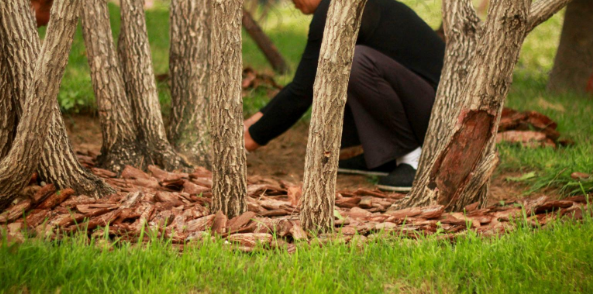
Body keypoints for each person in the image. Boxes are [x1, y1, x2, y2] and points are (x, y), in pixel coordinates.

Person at [244, 0, 445, 192]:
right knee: (340, 69)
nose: (291, 2)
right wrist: (250, 125)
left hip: (439, 115)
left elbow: (302, 93)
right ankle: (386, 156)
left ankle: (413, 159)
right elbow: (302, 85)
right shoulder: (341, 6)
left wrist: (252, 138)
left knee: (352, 63)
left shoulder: (335, 9)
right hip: (423, 102)